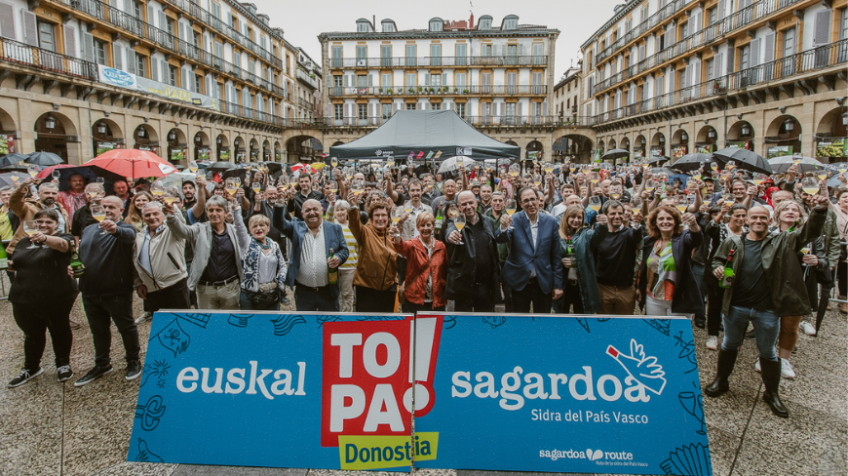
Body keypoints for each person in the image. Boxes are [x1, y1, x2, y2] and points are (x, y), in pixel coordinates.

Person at [705, 199, 828, 419]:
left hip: (767, 310)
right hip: (736, 306)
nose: (758, 221)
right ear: (746, 220)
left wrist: (819, 210)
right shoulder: (734, 242)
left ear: (769, 220)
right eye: (754, 217)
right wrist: (718, 268)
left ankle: (772, 394)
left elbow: (809, 233)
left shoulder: (783, 240)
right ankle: (721, 381)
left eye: (763, 217)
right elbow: (717, 260)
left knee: (768, 352)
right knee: (729, 344)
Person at [6, 209, 78, 387]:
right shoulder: (24, 242)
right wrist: (11, 265)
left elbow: (62, 245)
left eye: (48, 222)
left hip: (55, 296)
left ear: (56, 224)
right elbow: (19, 262)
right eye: (40, 222)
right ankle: (31, 367)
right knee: (32, 333)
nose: (44, 225)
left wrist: (45, 238)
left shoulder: (65, 238)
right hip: (24, 296)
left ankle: (62, 363)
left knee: (59, 329)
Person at [75, 196, 141, 386]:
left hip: (116, 290)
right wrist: (75, 267)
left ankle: (133, 361)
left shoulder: (125, 228)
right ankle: (102, 363)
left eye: (112, 207)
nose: (107, 210)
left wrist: (114, 229)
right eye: (103, 207)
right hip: (89, 290)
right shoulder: (88, 229)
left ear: (121, 210)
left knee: (126, 327)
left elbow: (128, 236)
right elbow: (83, 254)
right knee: (98, 330)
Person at [166, 195, 248, 310]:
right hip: (205, 289)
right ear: (206, 212)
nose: (214, 213)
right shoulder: (199, 229)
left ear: (225, 212)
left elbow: (246, 243)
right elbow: (182, 231)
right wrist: (171, 217)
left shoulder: (233, 231)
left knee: (230, 324)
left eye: (218, 210)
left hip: (231, 288)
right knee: (208, 324)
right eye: (211, 210)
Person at [495, 187, 563, 313]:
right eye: (526, 200)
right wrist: (503, 227)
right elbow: (500, 238)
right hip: (519, 280)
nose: (530, 203)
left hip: (543, 280)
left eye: (533, 199)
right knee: (519, 323)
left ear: (538, 200)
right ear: (520, 204)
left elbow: (556, 256)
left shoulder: (551, 222)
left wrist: (558, 284)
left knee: (542, 323)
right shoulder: (513, 219)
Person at [274, 198, 348, 311]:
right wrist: (279, 205)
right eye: (307, 210)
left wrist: (338, 257)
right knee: (306, 326)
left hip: (328, 291)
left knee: (328, 325)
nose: (312, 213)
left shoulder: (334, 228)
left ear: (322, 210)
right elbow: (279, 223)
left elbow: (344, 250)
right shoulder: (296, 228)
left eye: (315, 209)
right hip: (304, 293)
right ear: (302, 214)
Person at [637, 205, 703, 316]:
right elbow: (643, 267)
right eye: (661, 219)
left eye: (669, 218)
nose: (665, 222)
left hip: (678, 297)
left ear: (676, 222)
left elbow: (696, 239)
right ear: (655, 222)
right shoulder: (649, 241)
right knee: (656, 330)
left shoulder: (683, 239)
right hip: (653, 297)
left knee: (676, 332)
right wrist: (639, 288)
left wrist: (693, 224)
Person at [445, 191, 501, 312]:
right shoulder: (455, 222)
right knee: (464, 325)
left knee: (485, 324)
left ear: (477, 203)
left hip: (486, 286)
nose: (468, 207)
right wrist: (451, 235)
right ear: (459, 207)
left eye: (471, 202)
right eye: (464, 204)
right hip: (464, 287)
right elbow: (450, 231)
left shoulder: (488, 222)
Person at [702, 203, 747, 350]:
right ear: (731, 216)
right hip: (718, 270)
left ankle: (734, 337)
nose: (740, 218)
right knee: (715, 303)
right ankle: (713, 335)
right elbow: (709, 229)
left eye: (743, 216)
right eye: (737, 215)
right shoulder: (722, 229)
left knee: (737, 305)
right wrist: (721, 213)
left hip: (739, 273)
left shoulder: (747, 233)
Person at [132, 201, 190, 314]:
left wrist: (173, 210)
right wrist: (138, 283)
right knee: (160, 328)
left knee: (182, 325)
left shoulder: (172, 231)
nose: (151, 217)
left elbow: (180, 223)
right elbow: (134, 262)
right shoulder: (139, 237)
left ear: (163, 215)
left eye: (155, 213)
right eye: (147, 215)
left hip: (175, 285)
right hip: (152, 290)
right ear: (143, 218)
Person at [590, 200, 643, 315]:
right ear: (606, 215)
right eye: (613, 214)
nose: (617, 216)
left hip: (626, 289)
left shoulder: (629, 233)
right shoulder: (599, 235)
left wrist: (637, 224)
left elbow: (637, 237)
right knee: (604, 324)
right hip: (603, 288)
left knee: (624, 325)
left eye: (620, 213)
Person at [347, 195, 397, 312]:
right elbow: (354, 223)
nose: (380, 218)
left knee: (385, 325)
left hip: (389, 288)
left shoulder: (393, 234)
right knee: (366, 326)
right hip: (366, 288)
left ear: (388, 218)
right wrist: (354, 207)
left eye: (383, 215)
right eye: (377, 215)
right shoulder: (364, 232)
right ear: (371, 218)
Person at [393, 212, 447, 312]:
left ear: (433, 226)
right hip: (415, 300)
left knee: (435, 328)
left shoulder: (441, 246)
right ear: (417, 228)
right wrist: (396, 236)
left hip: (436, 300)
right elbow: (400, 246)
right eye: (422, 225)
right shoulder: (412, 245)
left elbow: (445, 270)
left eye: (428, 225)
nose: (425, 228)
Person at [237, 212, 287, 311]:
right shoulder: (246, 244)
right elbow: (239, 227)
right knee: (251, 325)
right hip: (249, 296)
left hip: (272, 295)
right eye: (254, 226)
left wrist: (280, 281)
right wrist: (236, 210)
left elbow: (283, 265)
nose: (258, 228)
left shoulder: (274, 245)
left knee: (271, 324)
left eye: (262, 225)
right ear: (250, 230)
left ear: (268, 228)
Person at [555, 204, 599, 314]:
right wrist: (561, 262)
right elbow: (552, 258)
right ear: (566, 218)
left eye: (579, 217)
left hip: (580, 284)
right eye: (573, 217)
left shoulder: (586, 234)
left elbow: (597, 238)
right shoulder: (558, 235)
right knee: (561, 316)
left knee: (581, 316)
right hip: (564, 284)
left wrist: (601, 225)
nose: (576, 220)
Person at [7, 180, 70, 254]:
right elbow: (14, 201)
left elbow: (66, 231)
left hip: (55, 251)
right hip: (29, 251)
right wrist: (22, 187)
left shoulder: (61, 210)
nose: (50, 195)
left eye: (54, 193)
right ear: (38, 193)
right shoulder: (29, 207)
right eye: (46, 193)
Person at [333, 200, 358, 312]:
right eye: (337, 210)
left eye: (342, 209)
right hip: (334, 266)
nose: (340, 212)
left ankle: (347, 316)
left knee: (347, 294)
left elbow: (358, 247)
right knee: (333, 293)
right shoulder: (332, 225)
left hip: (350, 267)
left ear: (347, 211)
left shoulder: (353, 226)